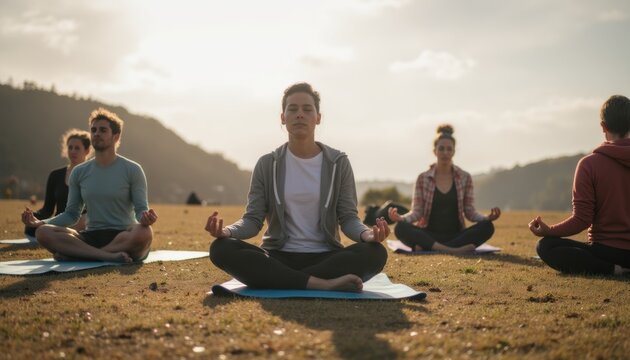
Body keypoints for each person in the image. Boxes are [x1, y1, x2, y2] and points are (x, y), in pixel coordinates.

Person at [206, 82, 389, 292]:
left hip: (326, 257)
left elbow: (348, 218)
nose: (299, 114)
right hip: (278, 256)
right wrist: (227, 231)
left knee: (375, 253)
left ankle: (285, 280)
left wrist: (368, 235)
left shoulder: (338, 163)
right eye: (292, 109)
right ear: (283, 117)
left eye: (307, 109)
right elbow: (253, 220)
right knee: (221, 249)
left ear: (318, 117)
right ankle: (321, 284)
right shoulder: (267, 164)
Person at [21, 108, 157, 263]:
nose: (96, 133)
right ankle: (106, 256)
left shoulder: (133, 169)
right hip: (90, 236)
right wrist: (41, 223)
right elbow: (72, 214)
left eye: (103, 130)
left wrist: (145, 219)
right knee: (43, 233)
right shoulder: (79, 172)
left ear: (116, 136)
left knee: (144, 233)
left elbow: (141, 210)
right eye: (93, 130)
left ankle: (78, 254)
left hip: (123, 235)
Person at [529, 95, 630, 275]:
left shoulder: (589, 164)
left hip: (605, 252)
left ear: (603, 126)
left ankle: (613, 270)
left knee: (546, 246)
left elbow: (582, 220)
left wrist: (549, 231)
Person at [388, 125, 501, 253]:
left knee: (487, 227)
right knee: (400, 228)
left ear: (454, 151)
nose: (445, 153)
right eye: (441, 149)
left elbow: (470, 212)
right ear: (434, 151)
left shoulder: (465, 177)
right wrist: (401, 218)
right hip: (428, 234)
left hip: (457, 234)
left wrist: (487, 218)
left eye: (449, 149)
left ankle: (429, 247)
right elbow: (417, 212)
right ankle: (452, 250)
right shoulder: (423, 178)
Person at [23, 129, 91, 237]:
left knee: (84, 219)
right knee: (31, 227)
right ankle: (56, 232)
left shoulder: (92, 174)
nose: (73, 151)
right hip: (60, 222)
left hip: (82, 223)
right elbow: (47, 209)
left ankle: (57, 233)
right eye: (70, 147)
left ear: (87, 150)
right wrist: (33, 217)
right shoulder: (55, 175)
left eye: (77, 148)